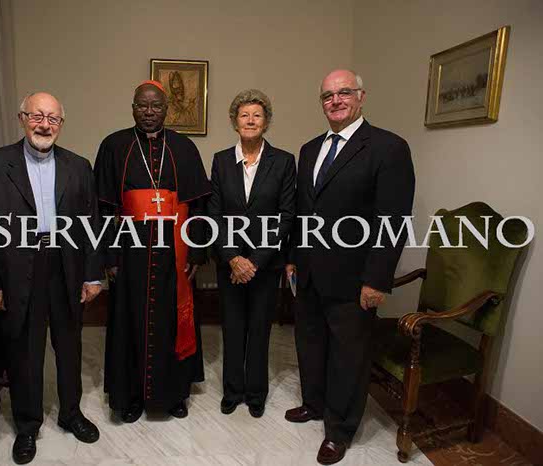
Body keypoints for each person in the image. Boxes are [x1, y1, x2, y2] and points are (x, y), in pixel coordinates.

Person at [285, 70, 415, 465]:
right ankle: (314, 403)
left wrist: (377, 279)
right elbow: (302, 211)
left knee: (348, 356)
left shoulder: (388, 148)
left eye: (344, 92)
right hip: (308, 272)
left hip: (354, 277)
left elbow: (393, 221)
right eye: (327, 95)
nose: (335, 100)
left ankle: (339, 430)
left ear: (361, 96)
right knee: (310, 343)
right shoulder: (310, 149)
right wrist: (292, 258)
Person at [0, 92, 102, 465]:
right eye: (37, 116)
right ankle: (27, 426)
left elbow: (92, 224)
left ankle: (71, 413)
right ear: (22, 118)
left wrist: (93, 275)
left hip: (66, 265)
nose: (45, 124)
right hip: (16, 268)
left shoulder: (79, 166)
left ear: (61, 123)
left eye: (53, 118)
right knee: (24, 350)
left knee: (69, 345)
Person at [94, 80, 210, 423]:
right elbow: (103, 209)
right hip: (130, 249)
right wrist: (109, 257)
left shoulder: (184, 147)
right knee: (129, 321)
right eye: (142, 106)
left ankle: (174, 394)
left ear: (166, 109)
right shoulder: (114, 146)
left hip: (175, 249)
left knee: (173, 319)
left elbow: (199, 206)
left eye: (156, 106)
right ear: (132, 108)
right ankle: (129, 396)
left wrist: (196, 252)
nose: (149, 112)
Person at [207, 89, 295, 418]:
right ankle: (233, 391)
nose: (250, 120)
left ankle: (256, 393)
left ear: (266, 122)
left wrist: (254, 261)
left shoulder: (283, 161)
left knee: (259, 329)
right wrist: (233, 258)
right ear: (235, 122)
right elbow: (214, 215)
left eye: (257, 115)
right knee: (232, 328)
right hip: (229, 263)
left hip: (265, 265)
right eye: (244, 115)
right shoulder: (220, 161)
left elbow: (287, 216)